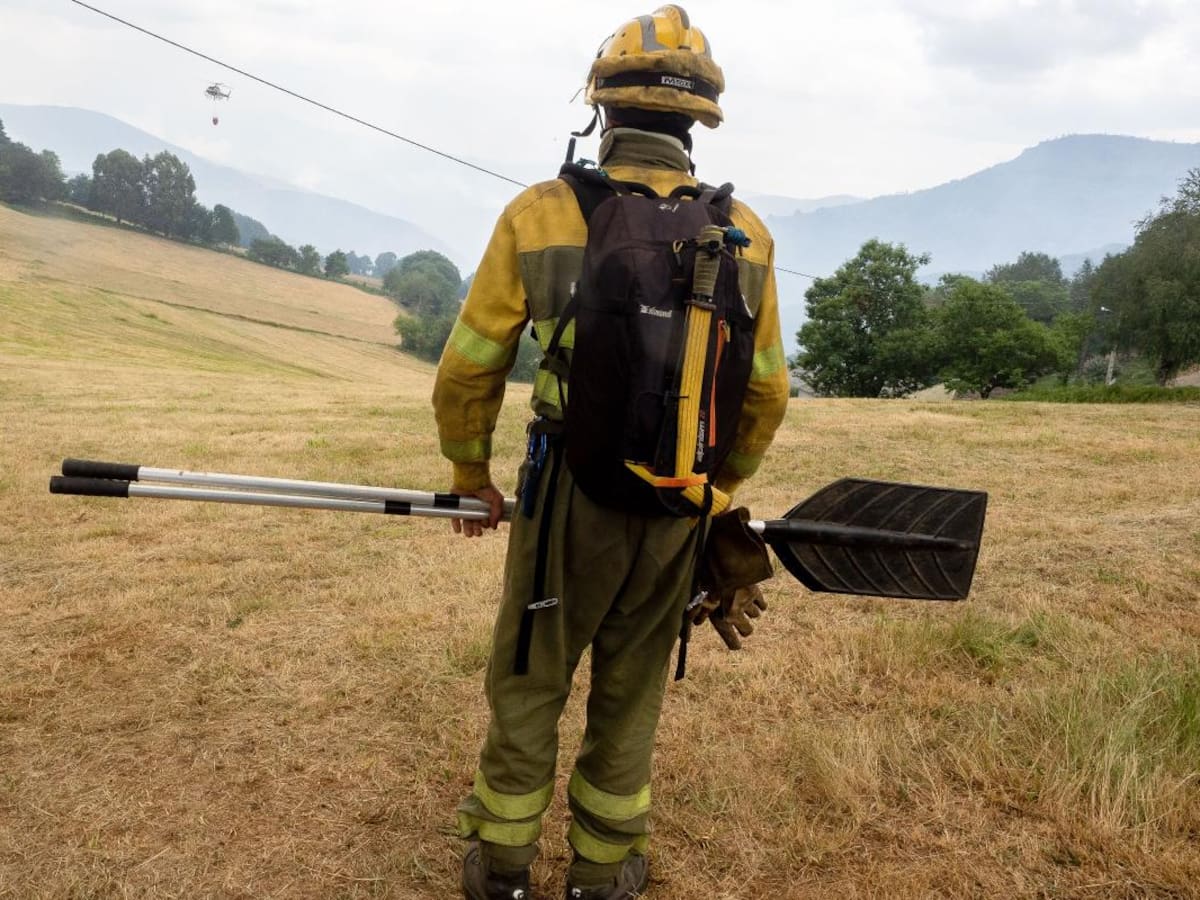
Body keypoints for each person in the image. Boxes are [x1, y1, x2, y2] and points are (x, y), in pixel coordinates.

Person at [432, 6, 790, 898]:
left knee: (531, 676)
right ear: (699, 121)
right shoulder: (746, 233)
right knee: (632, 689)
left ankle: (503, 866)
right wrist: (713, 491)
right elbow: (767, 392)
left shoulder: (542, 214)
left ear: (601, 107)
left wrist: (471, 473)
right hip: (678, 502)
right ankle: (602, 872)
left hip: (567, 491)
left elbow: (469, 365)